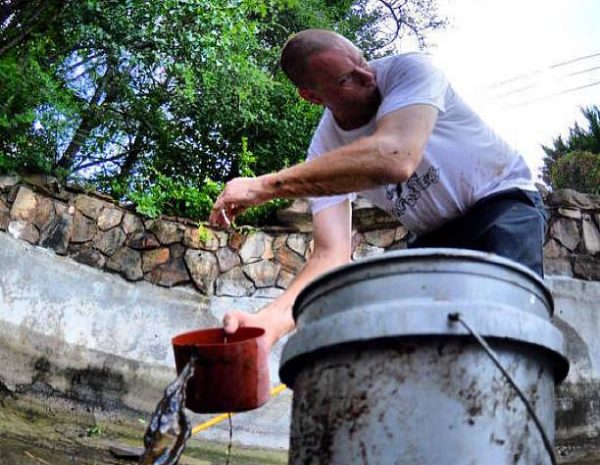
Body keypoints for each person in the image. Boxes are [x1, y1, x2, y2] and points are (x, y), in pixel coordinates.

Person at [208, 29, 545, 351]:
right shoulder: (324, 150)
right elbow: (330, 256)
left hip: (500, 203)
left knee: (508, 325)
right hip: (432, 238)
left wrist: (264, 186)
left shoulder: (410, 71)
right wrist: (267, 324)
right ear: (312, 97)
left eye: (362, 61)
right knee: (416, 343)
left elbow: (396, 157)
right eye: (345, 79)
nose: (367, 76)